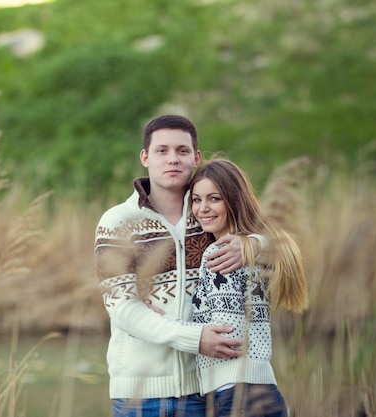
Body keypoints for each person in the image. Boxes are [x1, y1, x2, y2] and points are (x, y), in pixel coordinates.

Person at [94, 115, 262, 417]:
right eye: (162, 151)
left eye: (182, 151)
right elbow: (121, 308)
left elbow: (284, 244)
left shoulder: (210, 212)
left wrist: (253, 244)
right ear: (145, 157)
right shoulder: (117, 222)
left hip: (205, 391)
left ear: (196, 157)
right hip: (140, 395)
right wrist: (195, 339)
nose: (173, 159)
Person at [189, 157, 309, 417]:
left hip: (236, 395)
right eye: (197, 200)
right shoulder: (249, 248)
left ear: (234, 200)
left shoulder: (222, 252)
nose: (203, 209)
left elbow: (225, 337)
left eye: (214, 198)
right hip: (262, 392)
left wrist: (164, 325)